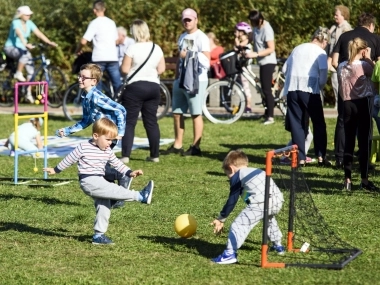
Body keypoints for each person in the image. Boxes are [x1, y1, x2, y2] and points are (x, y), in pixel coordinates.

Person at [44, 118, 154, 245]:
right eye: (107, 139)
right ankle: (140, 196)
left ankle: (98, 236)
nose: (110, 143)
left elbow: (117, 163)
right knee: (114, 189)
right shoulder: (83, 147)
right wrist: (55, 170)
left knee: (104, 206)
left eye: (112, 140)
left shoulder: (107, 151)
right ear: (96, 136)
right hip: (89, 181)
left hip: (99, 180)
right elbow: (69, 159)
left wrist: (130, 172)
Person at [56, 63, 129, 208]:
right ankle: (114, 195)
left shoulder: (96, 97)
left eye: (84, 77)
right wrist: (68, 130)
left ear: (94, 81)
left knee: (98, 164)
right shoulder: (85, 96)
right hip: (100, 134)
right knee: (99, 164)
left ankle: (121, 176)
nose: (80, 79)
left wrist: (119, 132)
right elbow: (86, 120)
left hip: (108, 134)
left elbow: (121, 110)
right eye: (79, 76)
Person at [211, 150, 284, 264]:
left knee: (238, 224)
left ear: (231, 168)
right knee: (268, 218)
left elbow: (232, 200)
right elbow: (248, 195)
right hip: (278, 200)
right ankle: (278, 246)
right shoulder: (256, 171)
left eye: (228, 175)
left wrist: (221, 218)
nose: (229, 178)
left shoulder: (237, 175)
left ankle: (230, 254)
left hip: (261, 202)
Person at [332, 12, 380, 169]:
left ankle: (340, 157)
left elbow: (334, 60)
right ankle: (363, 161)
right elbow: (377, 68)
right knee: (366, 126)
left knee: (343, 122)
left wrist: (347, 72)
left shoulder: (345, 36)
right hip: (365, 92)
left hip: (346, 91)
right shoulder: (375, 38)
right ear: (371, 25)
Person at [161, 8, 210, 156]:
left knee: (196, 113)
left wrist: (189, 54)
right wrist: (176, 75)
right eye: (185, 20)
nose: (187, 22)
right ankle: (178, 145)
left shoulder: (202, 37)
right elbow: (179, 58)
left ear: (196, 20)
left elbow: (207, 62)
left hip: (197, 80)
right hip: (181, 79)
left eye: (190, 19)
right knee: (177, 112)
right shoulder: (182, 37)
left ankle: (196, 147)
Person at [282, 27, 331, 167]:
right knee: (318, 123)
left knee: (297, 124)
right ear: (324, 41)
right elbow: (322, 78)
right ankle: (321, 156)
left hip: (293, 89)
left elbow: (284, 69)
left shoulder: (297, 48)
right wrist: (318, 88)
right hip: (310, 90)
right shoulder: (320, 53)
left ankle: (300, 158)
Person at [119, 19, 165, 163]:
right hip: (153, 87)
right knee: (151, 121)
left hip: (135, 87)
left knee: (130, 122)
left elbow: (125, 69)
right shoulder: (156, 48)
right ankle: (154, 155)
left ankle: (126, 155)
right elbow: (161, 69)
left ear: (134, 32)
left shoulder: (132, 48)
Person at [337, 38, 378, 192]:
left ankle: (347, 179)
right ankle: (364, 179)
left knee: (349, 140)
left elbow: (341, 88)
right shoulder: (364, 65)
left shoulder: (342, 66)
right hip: (362, 103)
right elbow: (377, 74)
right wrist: (368, 58)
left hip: (347, 103)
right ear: (362, 50)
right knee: (363, 141)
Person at [3, 5, 57, 103]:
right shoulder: (15, 22)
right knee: (25, 55)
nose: (29, 16)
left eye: (29, 14)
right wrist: (25, 44)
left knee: (31, 71)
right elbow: (19, 33)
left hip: (23, 48)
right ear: (21, 15)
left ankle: (27, 93)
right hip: (10, 48)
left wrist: (49, 42)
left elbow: (38, 33)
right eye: (27, 14)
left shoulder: (30, 23)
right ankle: (18, 73)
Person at [75, 1, 121, 94]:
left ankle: (98, 106)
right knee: (118, 85)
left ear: (94, 10)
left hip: (99, 58)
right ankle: (121, 103)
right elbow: (117, 41)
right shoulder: (111, 23)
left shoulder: (94, 23)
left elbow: (84, 41)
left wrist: (78, 50)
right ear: (104, 9)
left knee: (96, 84)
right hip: (112, 57)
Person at [246, 10, 277, 125]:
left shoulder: (267, 29)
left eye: (253, 22)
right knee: (262, 88)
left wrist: (256, 54)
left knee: (266, 90)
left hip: (268, 62)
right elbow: (251, 38)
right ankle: (266, 113)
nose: (252, 24)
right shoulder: (256, 27)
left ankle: (270, 117)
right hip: (262, 62)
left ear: (260, 20)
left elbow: (271, 48)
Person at [328, 5, 352, 110]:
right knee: (334, 82)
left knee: (339, 81)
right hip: (332, 58)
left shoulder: (346, 28)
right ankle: (338, 103)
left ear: (343, 15)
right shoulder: (334, 28)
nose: (335, 16)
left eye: (337, 14)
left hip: (340, 60)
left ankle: (341, 103)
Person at [234, 22, 253, 112]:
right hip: (242, 67)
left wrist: (236, 39)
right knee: (243, 86)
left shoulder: (246, 41)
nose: (235, 32)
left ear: (242, 32)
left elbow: (238, 47)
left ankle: (248, 106)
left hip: (246, 68)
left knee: (245, 86)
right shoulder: (243, 41)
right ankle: (244, 104)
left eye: (237, 31)